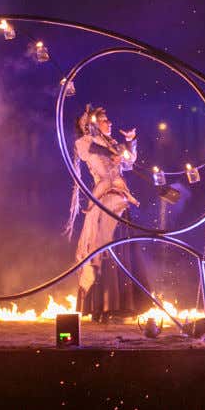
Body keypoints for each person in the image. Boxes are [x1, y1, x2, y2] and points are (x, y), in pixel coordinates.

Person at [66, 104, 149, 322]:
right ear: (92, 125)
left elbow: (129, 161)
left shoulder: (112, 144)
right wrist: (112, 152)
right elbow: (87, 149)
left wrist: (129, 141)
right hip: (103, 201)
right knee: (102, 251)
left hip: (120, 200)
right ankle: (102, 306)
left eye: (108, 119)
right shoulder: (86, 142)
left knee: (122, 249)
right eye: (104, 120)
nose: (109, 123)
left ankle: (123, 305)